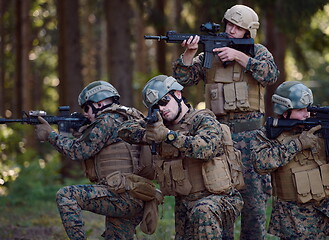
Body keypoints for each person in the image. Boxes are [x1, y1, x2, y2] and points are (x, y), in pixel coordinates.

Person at [172, 4, 280, 239]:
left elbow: (270, 74)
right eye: (229, 24)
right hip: (218, 138)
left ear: (248, 32)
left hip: (251, 139)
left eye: (238, 27)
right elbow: (184, 79)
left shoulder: (257, 51)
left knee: (253, 204)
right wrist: (189, 54)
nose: (231, 30)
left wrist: (240, 57)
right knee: (219, 195)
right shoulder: (209, 53)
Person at [118, 75, 244, 239]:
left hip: (219, 199)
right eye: (155, 106)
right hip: (185, 202)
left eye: (164, 101)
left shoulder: (202, 119)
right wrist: (149, 134)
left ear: (177, 94)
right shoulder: (160, 123)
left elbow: (207, 148)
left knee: (203, 210)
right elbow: (124, 131)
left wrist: (169, 136)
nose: (161, 109)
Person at [34, 81, 161, 240]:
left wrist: (50, 135)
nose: (85, 113)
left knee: (66, 195)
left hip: (122, 195)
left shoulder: (106, 120)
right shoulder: (128, 116)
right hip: (137, 194)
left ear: (100, 103)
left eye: (86, 108)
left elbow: (77, 151)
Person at [251, 81, 329, 239]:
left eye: (308, 109)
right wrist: (298, 144)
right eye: (300, 110)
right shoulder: (268, 135)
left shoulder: (320, 130)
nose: (307, 114)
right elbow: (260, 163)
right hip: (294, 216)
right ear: (284, 110)